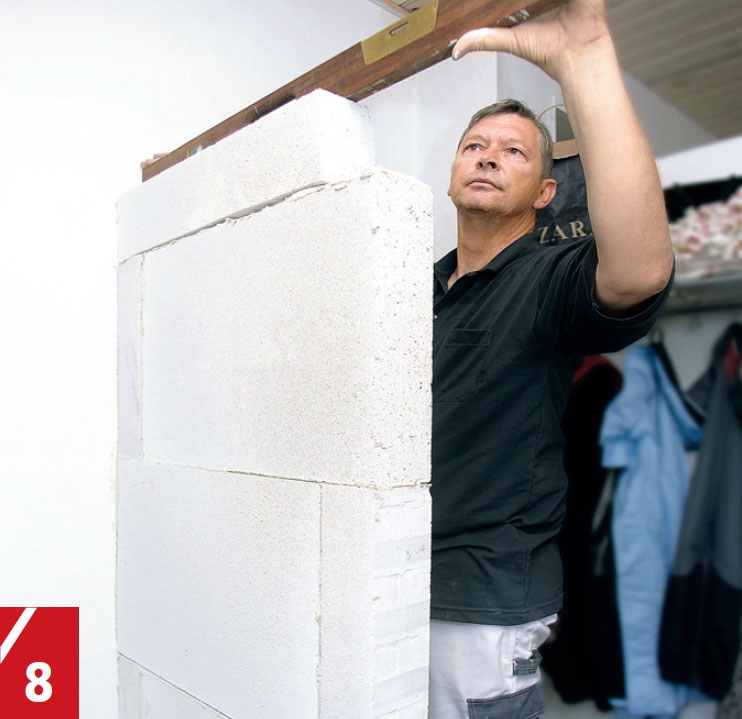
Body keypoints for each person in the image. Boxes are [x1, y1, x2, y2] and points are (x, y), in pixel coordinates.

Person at [429, 1, 675, 717]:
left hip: (481, 605)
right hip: (391, 575)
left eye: (513, 151)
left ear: (544, 193)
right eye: (475, 145)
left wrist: (583, 59)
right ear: (453, 172)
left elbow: (639, 270)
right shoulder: (416, 287)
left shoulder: (549, 277)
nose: (488, 156)